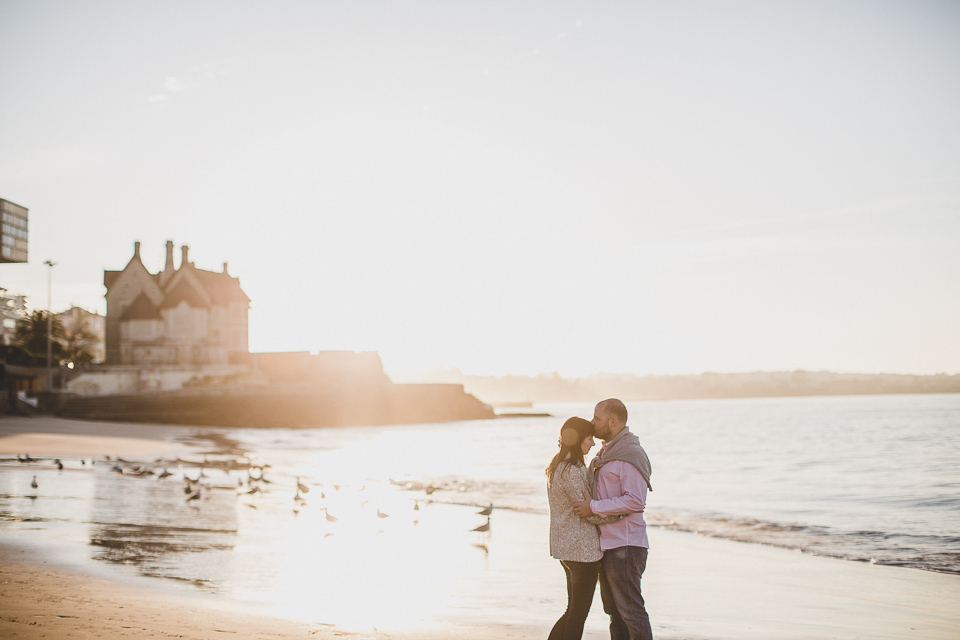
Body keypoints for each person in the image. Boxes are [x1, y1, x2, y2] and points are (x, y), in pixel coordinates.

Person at [573, 399, 653, 640]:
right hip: (608, 545)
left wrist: (593, 507)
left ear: (613, 421)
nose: (592, 422)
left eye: (597, 418)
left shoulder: (630, 454)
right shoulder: (607, 453)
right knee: (615, 613)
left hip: (626, 545)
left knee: (631, 612)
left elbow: (635, 501)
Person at [546, 416, 623, 640]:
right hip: (581, 551)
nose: (592, 443)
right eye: (589, 438)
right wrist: (619, 513)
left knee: (572, 610)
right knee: (578, 613)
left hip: (568, 549)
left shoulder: (558, 466)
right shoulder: (570, 471)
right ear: (578, 439)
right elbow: (587, 511)